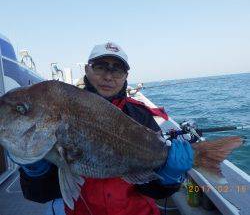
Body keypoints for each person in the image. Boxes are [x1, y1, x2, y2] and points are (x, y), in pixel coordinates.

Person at [14, 42, 193, 215]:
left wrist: (170, 178)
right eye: (100, 66)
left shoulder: (140, 115)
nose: (108, 76)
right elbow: (40, 194)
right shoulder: (61, 111)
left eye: (117, 69)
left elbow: (152, 190)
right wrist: (35, 172)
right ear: (87, 69)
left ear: (125, 76)